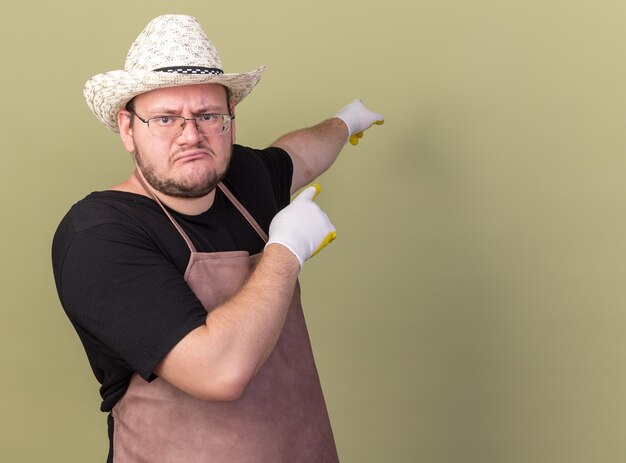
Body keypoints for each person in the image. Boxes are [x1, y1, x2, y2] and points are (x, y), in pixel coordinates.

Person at [52, 14, 383, 463]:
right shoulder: (99, 236)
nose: (191, 135)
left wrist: (346, 123)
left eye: (208, 115)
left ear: (230, 120)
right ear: (128, 128)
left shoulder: (238, 178)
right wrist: (285, 251)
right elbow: (219, 371)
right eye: (165, 118)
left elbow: (298, 154)